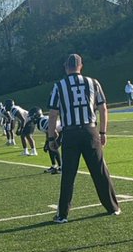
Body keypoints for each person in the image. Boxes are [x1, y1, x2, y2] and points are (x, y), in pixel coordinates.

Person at [47, 53, 120, 223]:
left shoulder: (59, 86)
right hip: (90, 130)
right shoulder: (93, 82)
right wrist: (103, 132)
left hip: (71, 133)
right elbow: (103, 109)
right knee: (100, 171)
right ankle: (113, 208)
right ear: (81, 66)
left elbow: (52, 114)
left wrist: (52, 138)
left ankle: (63, 215)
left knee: (68, 174)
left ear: (66, 67)